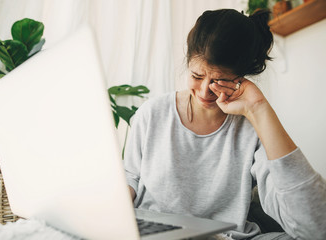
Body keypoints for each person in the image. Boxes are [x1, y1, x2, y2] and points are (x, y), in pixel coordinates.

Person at [124, 8, 326, 240]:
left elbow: (316, 228)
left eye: (221, 81)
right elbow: (131, 177)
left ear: (241, 77)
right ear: (188, 61)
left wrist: (259, 107)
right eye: (197, 76)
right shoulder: (151, 114)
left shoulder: (252, 126)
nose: (204, 91)